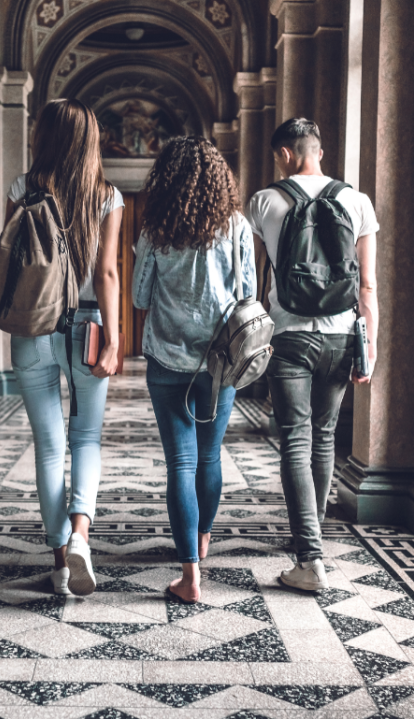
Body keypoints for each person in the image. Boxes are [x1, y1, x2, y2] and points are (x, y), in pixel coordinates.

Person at [246, 118, 379, 592]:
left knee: (295, 442)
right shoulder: (356, 201)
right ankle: (312, 539)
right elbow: (367, 284)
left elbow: (260, 272)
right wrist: (371, 345)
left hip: (290, 335)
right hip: (343, 333)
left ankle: (310, 556)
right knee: (324, 438)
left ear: (284, 153)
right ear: (319, 151)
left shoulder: (264, 201)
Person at [4, 99, 123, 596]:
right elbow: (108, 273)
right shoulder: (107, 196)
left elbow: (11, 257)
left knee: (50, 446)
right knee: (86, 439)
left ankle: (58, 561)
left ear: (45, 137)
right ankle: (81, 535)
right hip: (88, 325)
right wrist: (116, 340)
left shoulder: (21, 188)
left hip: (32, 326)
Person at [133, 136, 257, 604]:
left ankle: (190, 574)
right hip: (221, 361)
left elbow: (139, 298)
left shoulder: (154, 230)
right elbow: (246, 292)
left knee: (180, 463)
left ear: (165, 179)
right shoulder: (237, 226)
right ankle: (202, 539)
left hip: (167, 358)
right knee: (209, 456)